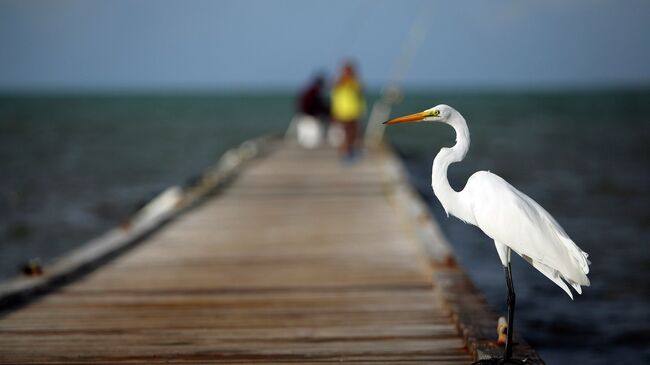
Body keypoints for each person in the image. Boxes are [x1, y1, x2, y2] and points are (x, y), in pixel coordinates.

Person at [331, 62, 365, 160]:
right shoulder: (339, 83)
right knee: (344, 133)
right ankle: (345, 152)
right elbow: (335, 97)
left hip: (354, 111)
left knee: (354, 132)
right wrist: (334, 113)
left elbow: (360, 94)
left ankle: (350, 150)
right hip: (342, 112)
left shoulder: (355, 83)